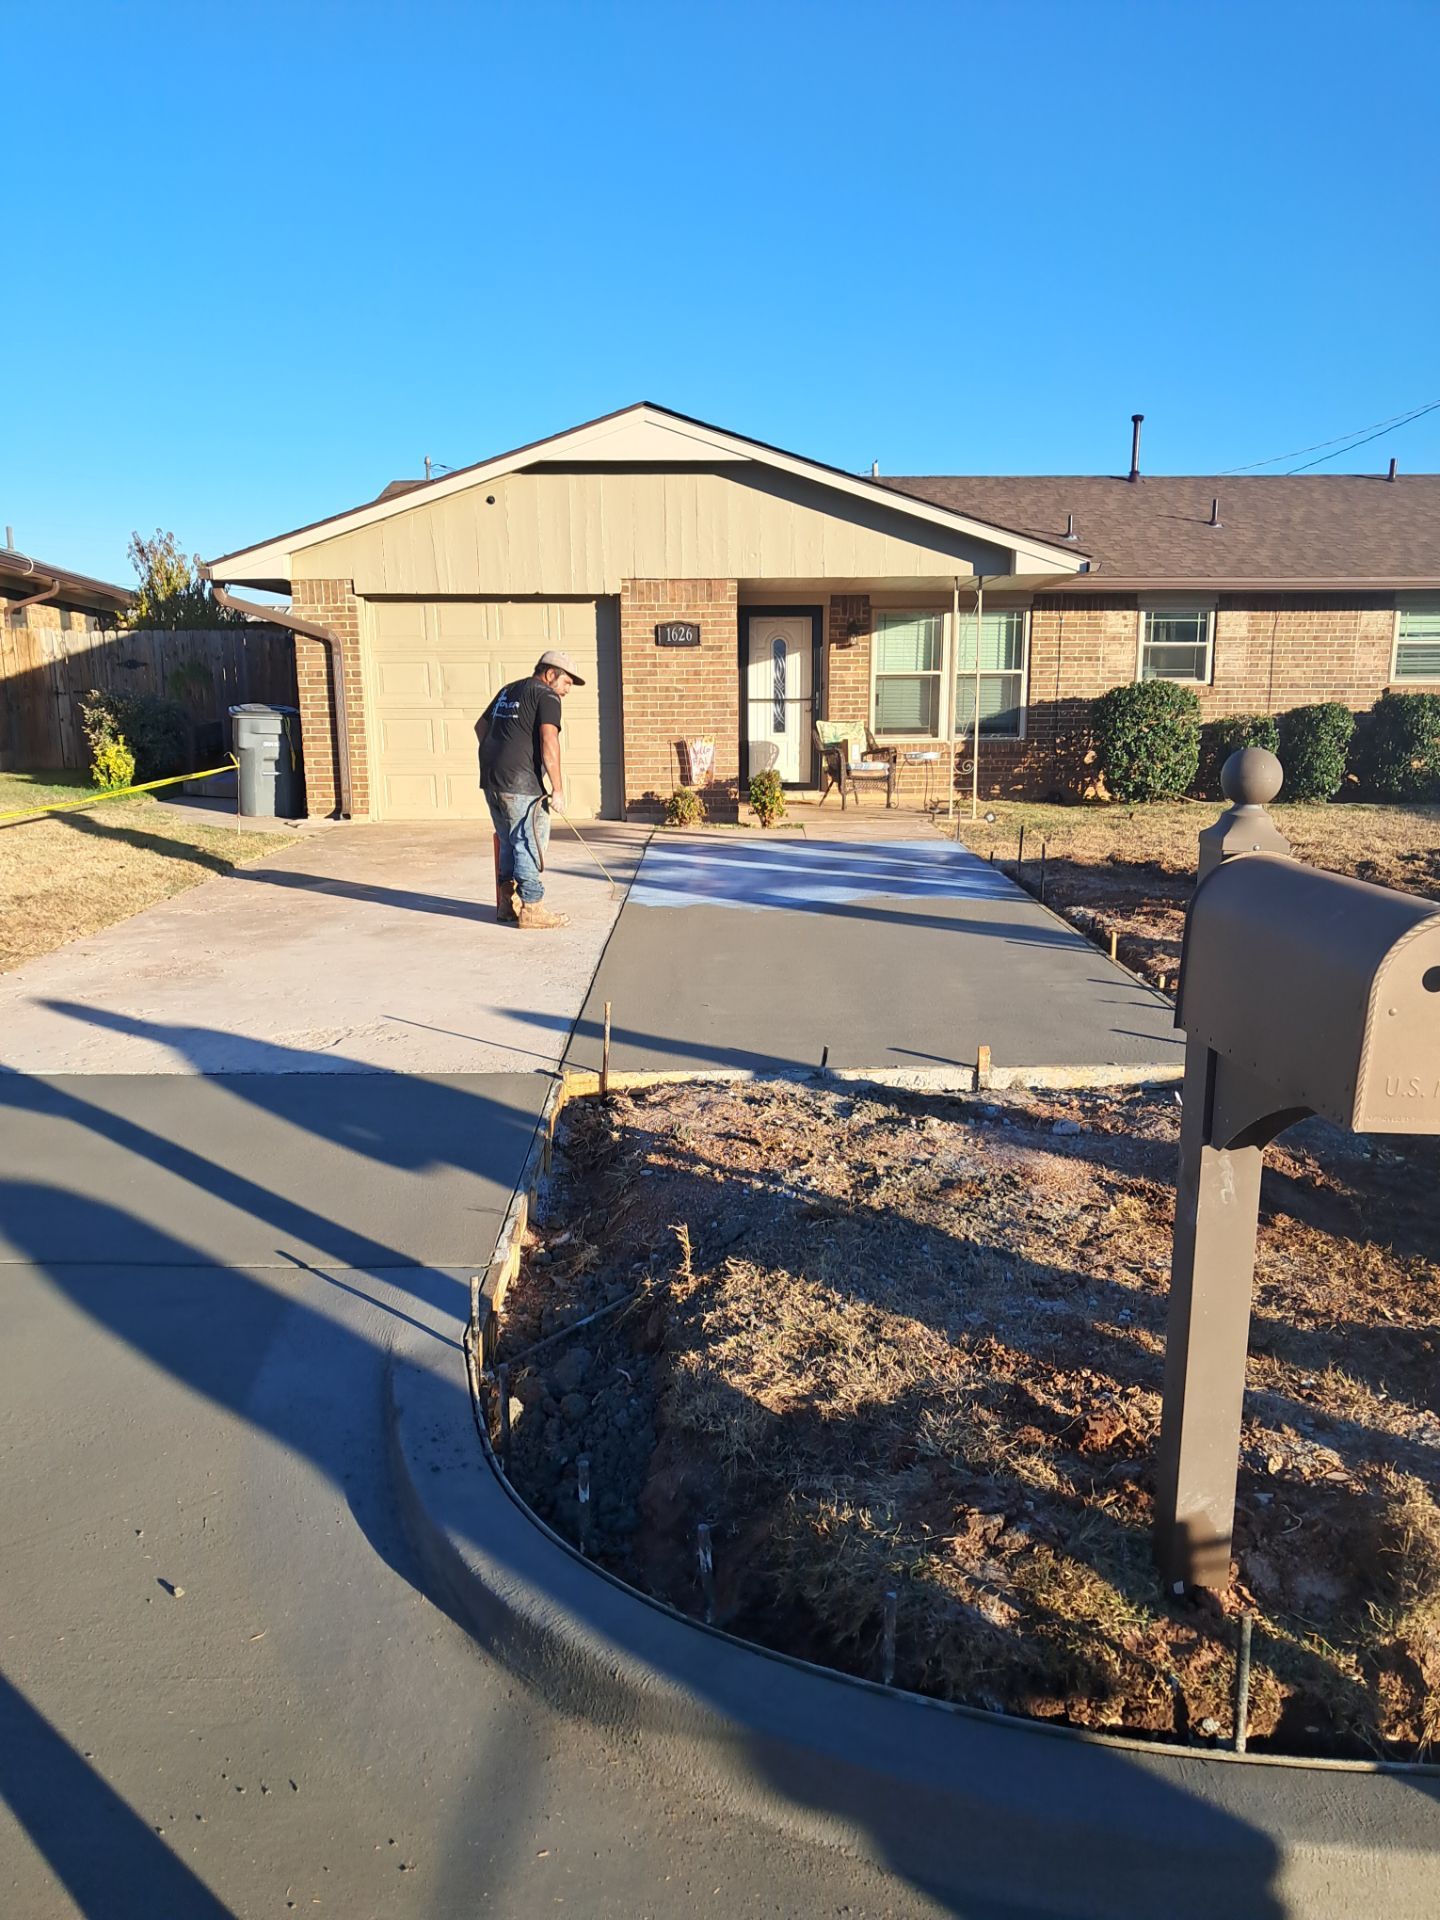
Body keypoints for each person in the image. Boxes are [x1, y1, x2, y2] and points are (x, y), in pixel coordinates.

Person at [475, 649, 583, 930]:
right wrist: (557, 789)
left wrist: (499, 753)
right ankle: (532, 908)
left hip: (492, 780)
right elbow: (550, 741)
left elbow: (480, 727)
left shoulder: (508, 691)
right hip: (520, 783)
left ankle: (506, 905)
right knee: (529, 842)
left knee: (509, 840)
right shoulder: (546, 695)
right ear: (550, 675)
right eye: (567, 683)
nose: (567, 690)